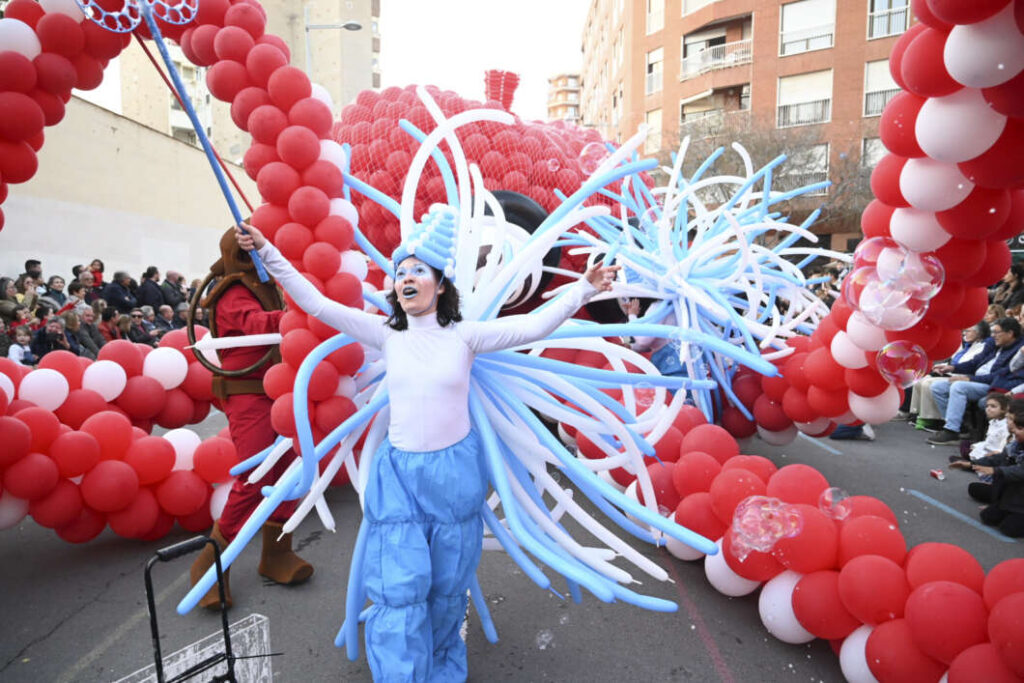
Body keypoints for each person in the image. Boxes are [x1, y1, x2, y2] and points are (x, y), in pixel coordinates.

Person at [234, 219, 618, 682]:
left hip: (454, 477)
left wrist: (582, 289)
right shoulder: (385, 334)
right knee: (400, 586)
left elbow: (533, 326)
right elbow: (315, 302)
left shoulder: (465, 336)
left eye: (418, 270)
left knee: (446, 588)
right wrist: (268, 249)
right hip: (399, 478)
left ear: (440, 283)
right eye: (400, 273)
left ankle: (439, 666)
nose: (406, 279)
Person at [189, 227, 314, 611]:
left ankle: (276, 555)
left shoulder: (267, 285)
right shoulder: (229, 290)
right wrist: (306, 311)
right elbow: (258, 325)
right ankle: (209, 566)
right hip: (248, 396)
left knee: (288, 471)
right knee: (255, 474)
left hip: (278, 390)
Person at [929, 318, 1024, 445]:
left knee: (959, 387)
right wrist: (953, 368)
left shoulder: (1017, 350)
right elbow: (975, 362)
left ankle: (951, 431)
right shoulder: (994, 345)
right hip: (978, 380)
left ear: (1010, 333)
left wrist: (970, 378)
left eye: (997, 332)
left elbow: (999, 375)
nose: (993, 336)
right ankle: (960, 426)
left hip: (994, 385)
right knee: (938, 387)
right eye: (992, 332)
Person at [954, 400, 1024, 538]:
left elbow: (1020, 472)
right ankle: (1003, 504)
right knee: (988, 517)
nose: (1011, 427)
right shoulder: (1015, 444)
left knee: (1009, 529)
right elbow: (998, 458)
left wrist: (995, 471)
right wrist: (971, 464)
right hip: (1013, 492)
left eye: (1018, 428)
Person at [910, 322, 993, 430]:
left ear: (979, 333)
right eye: (964, 331)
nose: (964, 333)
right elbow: (963, 363)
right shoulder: (969, 346)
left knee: (930, 384)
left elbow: (973, 366)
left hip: (971, 378)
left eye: (968, 331)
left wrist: (958, 372)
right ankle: (917, 413)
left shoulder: (983, 347)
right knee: (922, 380)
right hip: (956, 374)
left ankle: (935, 419)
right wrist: (950, 367)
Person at [950, 392, 1010, 471]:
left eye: (993, 406)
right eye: (987, 406)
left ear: (1003, 409)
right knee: (965, 444)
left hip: (994, 454)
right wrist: (976, 446)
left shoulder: (1006, 426)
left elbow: (1004, 446)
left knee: (960, 456)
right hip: (986, 450)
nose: (988, 409)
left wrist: (996, 452)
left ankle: (974, 465)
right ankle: (972, 463)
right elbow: (988, 442)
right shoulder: (993, 422)